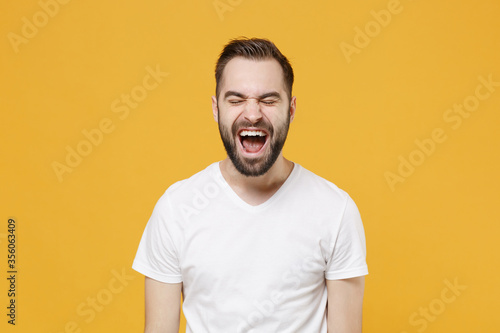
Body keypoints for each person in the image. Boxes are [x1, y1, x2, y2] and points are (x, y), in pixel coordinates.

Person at [132, 37, 368, 333]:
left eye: (269, 100)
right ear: (216, 109)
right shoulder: (176, 208)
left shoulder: (336, 211)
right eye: (236, 99)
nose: (253, 113)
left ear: (291, 110)